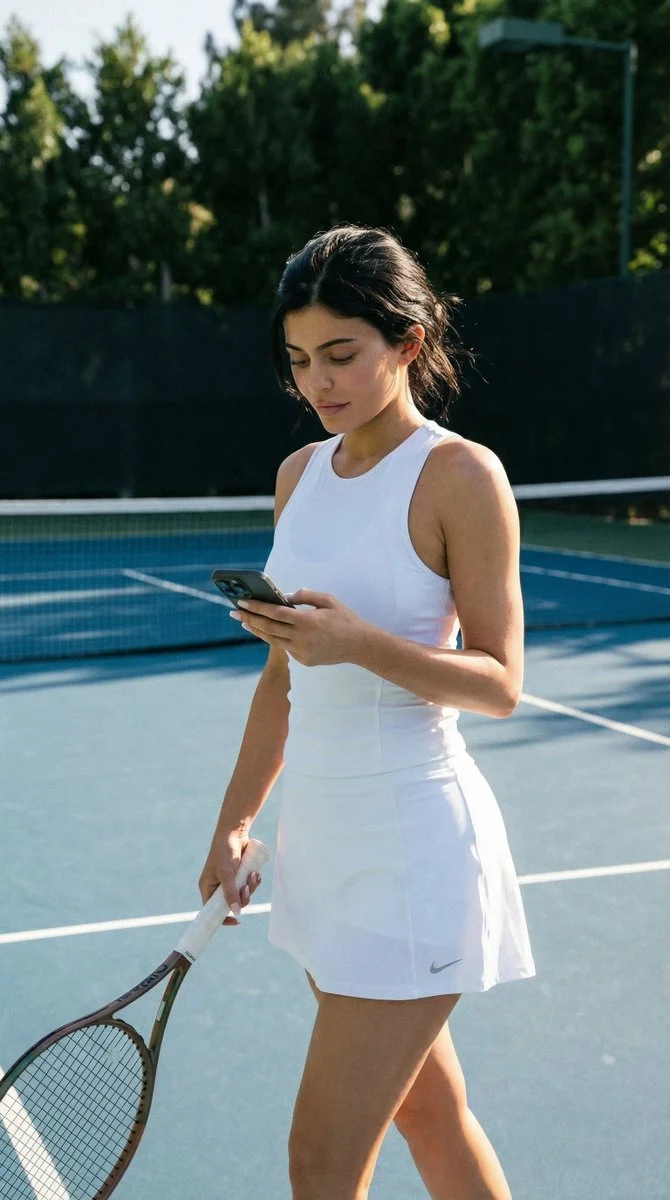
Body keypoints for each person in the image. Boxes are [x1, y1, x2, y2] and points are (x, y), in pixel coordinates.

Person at [199, 224, 536, 1200]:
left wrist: (364, 646)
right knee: (427, 1111)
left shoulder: (459, 476)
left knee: (319, 1161)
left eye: (341, 355)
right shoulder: (298, 477)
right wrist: (233, 819)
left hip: (415, 853)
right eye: (301, 361)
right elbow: (281, 677)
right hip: (326, 849)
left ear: (408, 344)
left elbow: (502, 681)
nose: (319, 383)